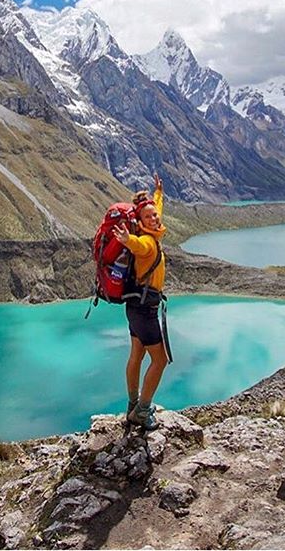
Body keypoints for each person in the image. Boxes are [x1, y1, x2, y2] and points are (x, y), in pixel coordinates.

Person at [111, 173, 169, 430]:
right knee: (160, 360)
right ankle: (143, 410)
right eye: (150, 216)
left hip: (134, 307)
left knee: (136, 354)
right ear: (140, 222)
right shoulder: (147, 241)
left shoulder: (151, 229)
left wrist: (158, 193)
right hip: (145, 311)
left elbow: (155, 208)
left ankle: (132, 404)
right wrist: (127, 241)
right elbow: (139, 246)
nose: (155, 218)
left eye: (155, 215)